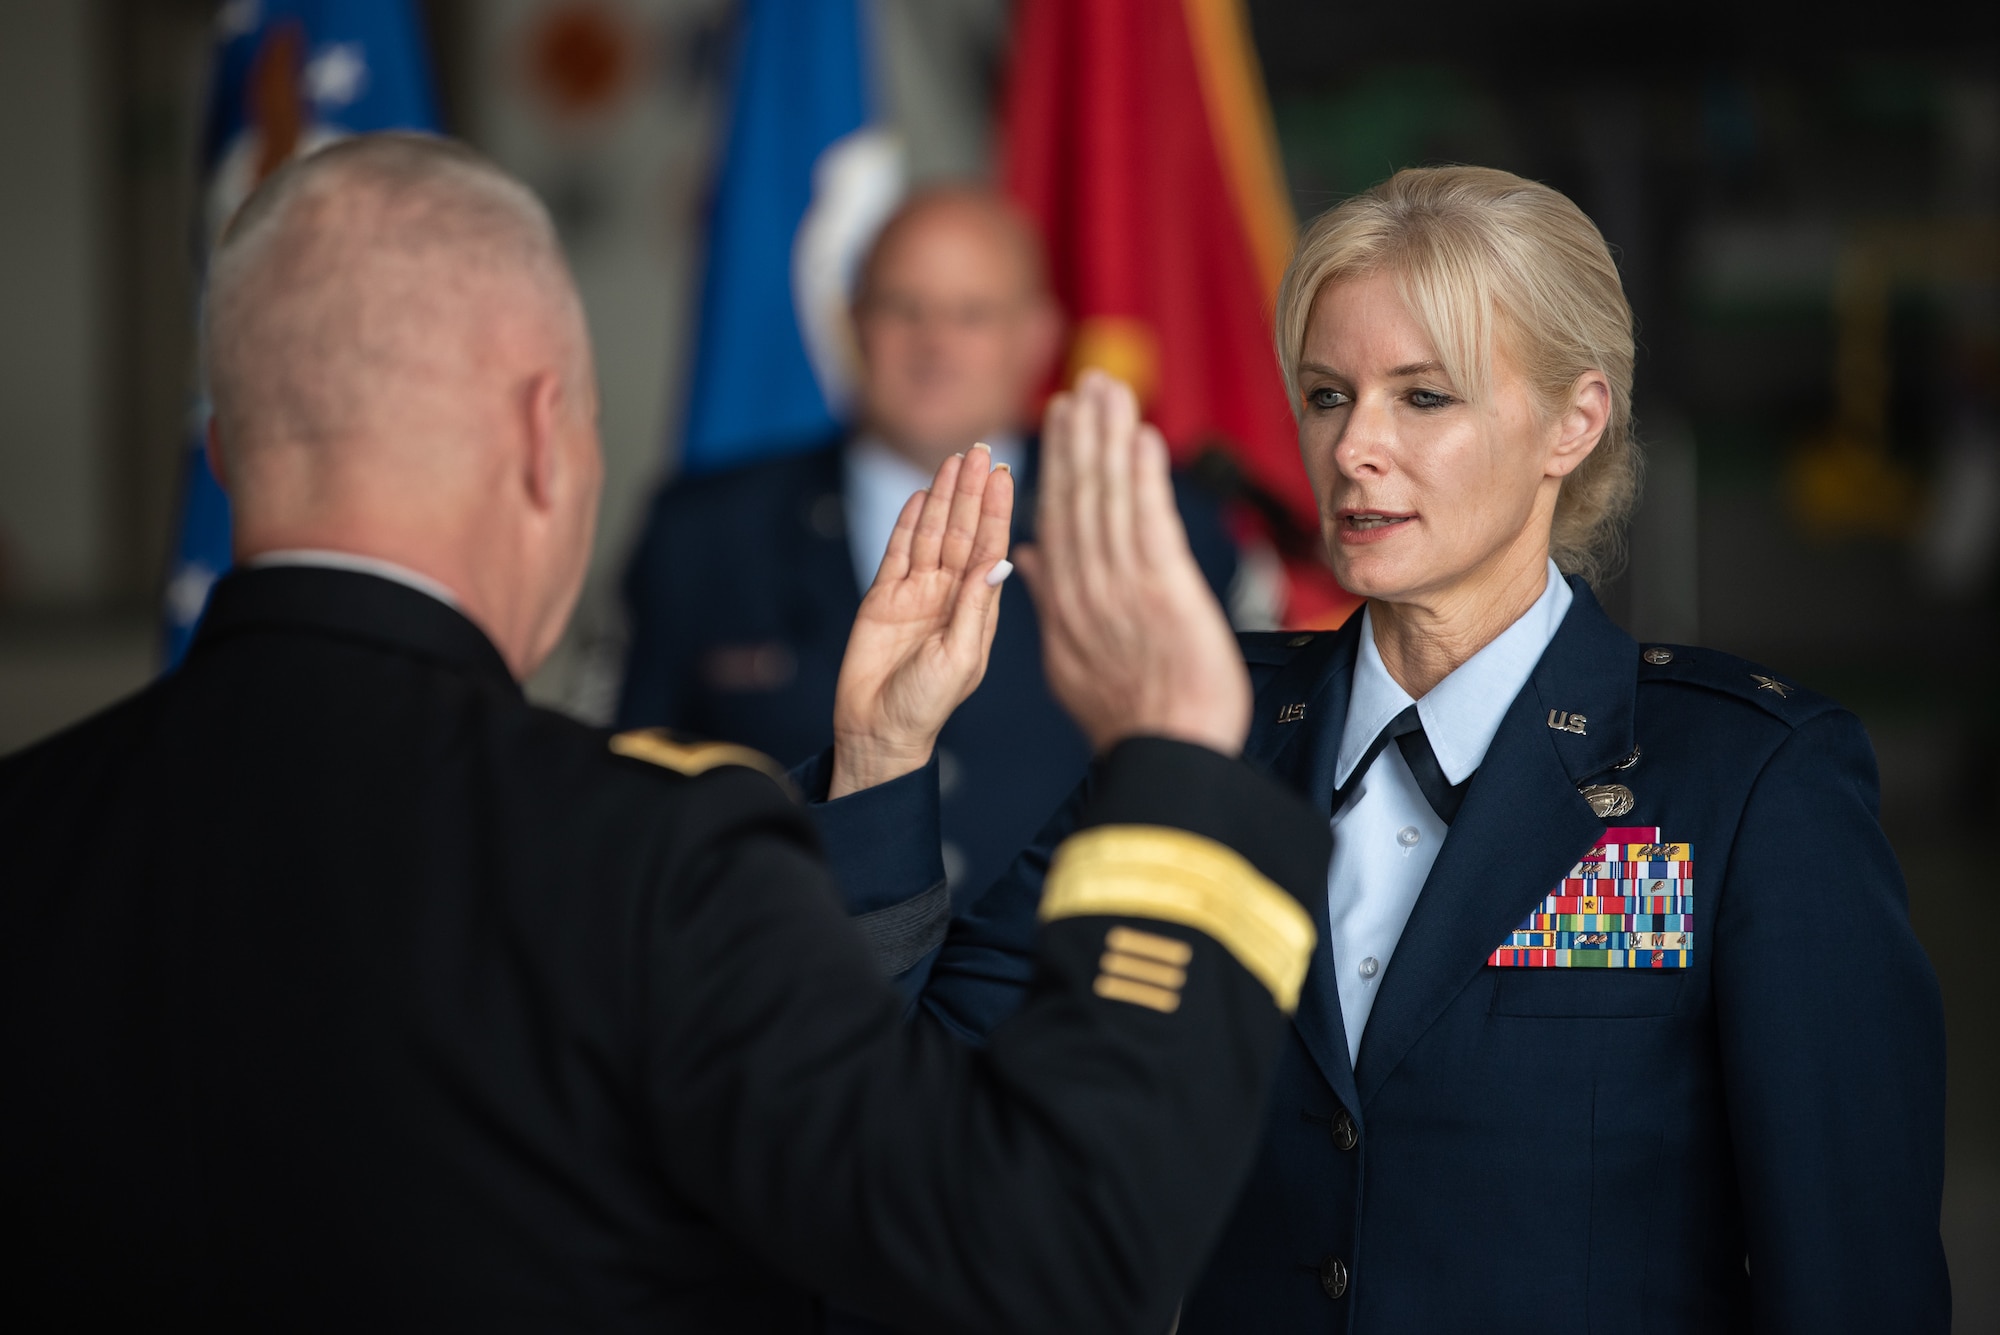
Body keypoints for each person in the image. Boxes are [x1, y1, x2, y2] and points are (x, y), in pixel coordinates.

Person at [0, 134, 1334, 1333]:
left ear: (224, 453)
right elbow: (1047, 1245)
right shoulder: (649, 855)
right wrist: (1176, 778)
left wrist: (873, 771)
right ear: (544, 436)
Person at [848, 168, 1954, 1330]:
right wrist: (882, 751)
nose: (1354, 447)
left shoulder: (1749, 781)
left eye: (1422, 399)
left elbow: (1849, 1280)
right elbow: (902, 1098)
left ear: (1570, 423)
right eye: (1328, 395)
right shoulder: (1199, 729)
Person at [618, 187, 1239, 904]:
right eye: (903, 308)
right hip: (787, 985)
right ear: (852, 323)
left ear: (1038, 335)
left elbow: (1209, 789)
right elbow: (639, 799)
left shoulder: (1155, 519)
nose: (935, 343)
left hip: (1058, 992)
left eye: (972, 313)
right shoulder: (704, 528)